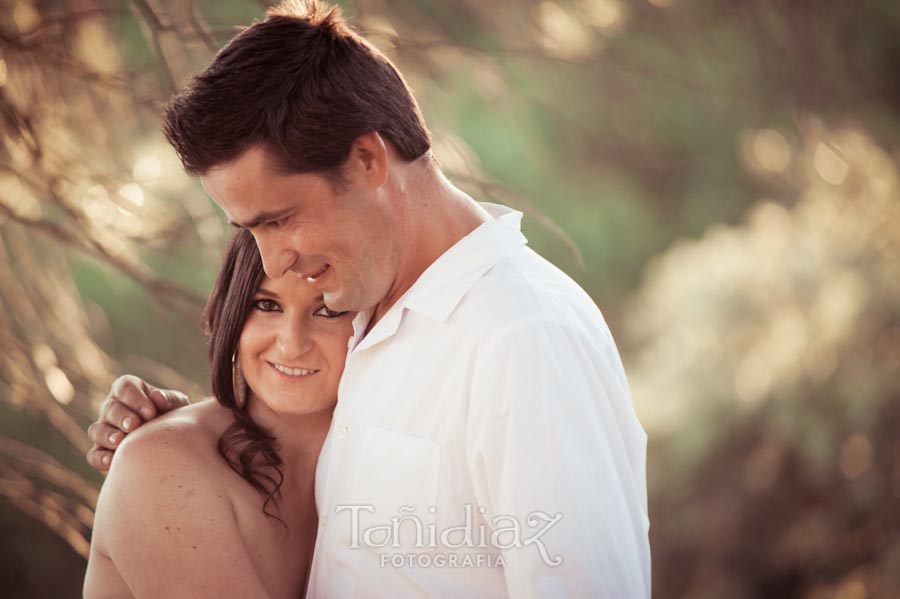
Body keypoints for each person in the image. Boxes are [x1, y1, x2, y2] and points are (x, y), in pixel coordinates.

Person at [87, 1, 652, 596]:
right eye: (249, 232)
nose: (273, 261)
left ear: (366, 160)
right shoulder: (366, 315)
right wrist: (188, 435)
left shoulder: (523, 335)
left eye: (279, 220)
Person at [83, 229, 354, 597]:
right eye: (267, 305)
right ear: (234, 311)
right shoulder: (165, 465)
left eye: (327, 311)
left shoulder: (370, 470)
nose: (291, 344)